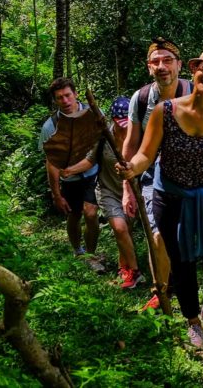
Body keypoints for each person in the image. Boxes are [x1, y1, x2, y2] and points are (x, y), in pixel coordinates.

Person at [118, 46, 203, 349]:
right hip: (169, 199)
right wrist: (131, 168)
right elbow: (146, 154)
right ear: (194, 70)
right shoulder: (166, 110)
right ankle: (192, 322)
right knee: (182, 263)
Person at [122, 38, 193, 311]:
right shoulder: (140, 100)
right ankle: (160, 292)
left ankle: (185, 286)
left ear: (179, 65)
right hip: (151, 175)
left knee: (186, 234)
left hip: (191, 177)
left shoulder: (195, 91)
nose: (161, 66)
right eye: (156, 61)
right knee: (157, 235)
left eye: (167, 60)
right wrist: (128, 188)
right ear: (148, 67)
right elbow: (130, 144)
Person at [59, 96, 144, 289]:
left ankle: (125, 268)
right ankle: (136, 272)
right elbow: (90, 161)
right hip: (108, 190)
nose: (123, 127)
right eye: (119, 122)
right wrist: (70, 170)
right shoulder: (104, 137)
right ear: (113, 119)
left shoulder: (138, 135)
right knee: (120, 228)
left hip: (133, 192)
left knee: (126, 231)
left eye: (126, 123)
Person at [39, 77, 100, 256]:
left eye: (67, 95)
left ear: (75, 94)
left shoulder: (93, 113)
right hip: (69, 179)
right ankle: (77, 250)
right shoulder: (51, 126)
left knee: (90, 213)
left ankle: (91, 254)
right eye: (60, 98)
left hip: (92, 174)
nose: (65, 101)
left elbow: (105, 143)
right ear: (55, 100)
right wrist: (56, 194)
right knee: (74, 215)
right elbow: (51, 162)